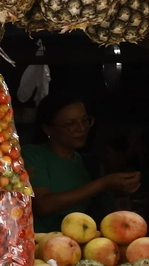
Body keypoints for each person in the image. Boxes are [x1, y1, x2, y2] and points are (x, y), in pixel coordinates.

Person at [23, 90, 141, 233]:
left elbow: (106, 208)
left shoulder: (89, 164)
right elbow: (42, 205)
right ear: (48, 129)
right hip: (42, 244)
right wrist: (103, 184)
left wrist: (123, 186)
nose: (82, 128)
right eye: (71, 124)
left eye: (85, 120)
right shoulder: (33, 155)